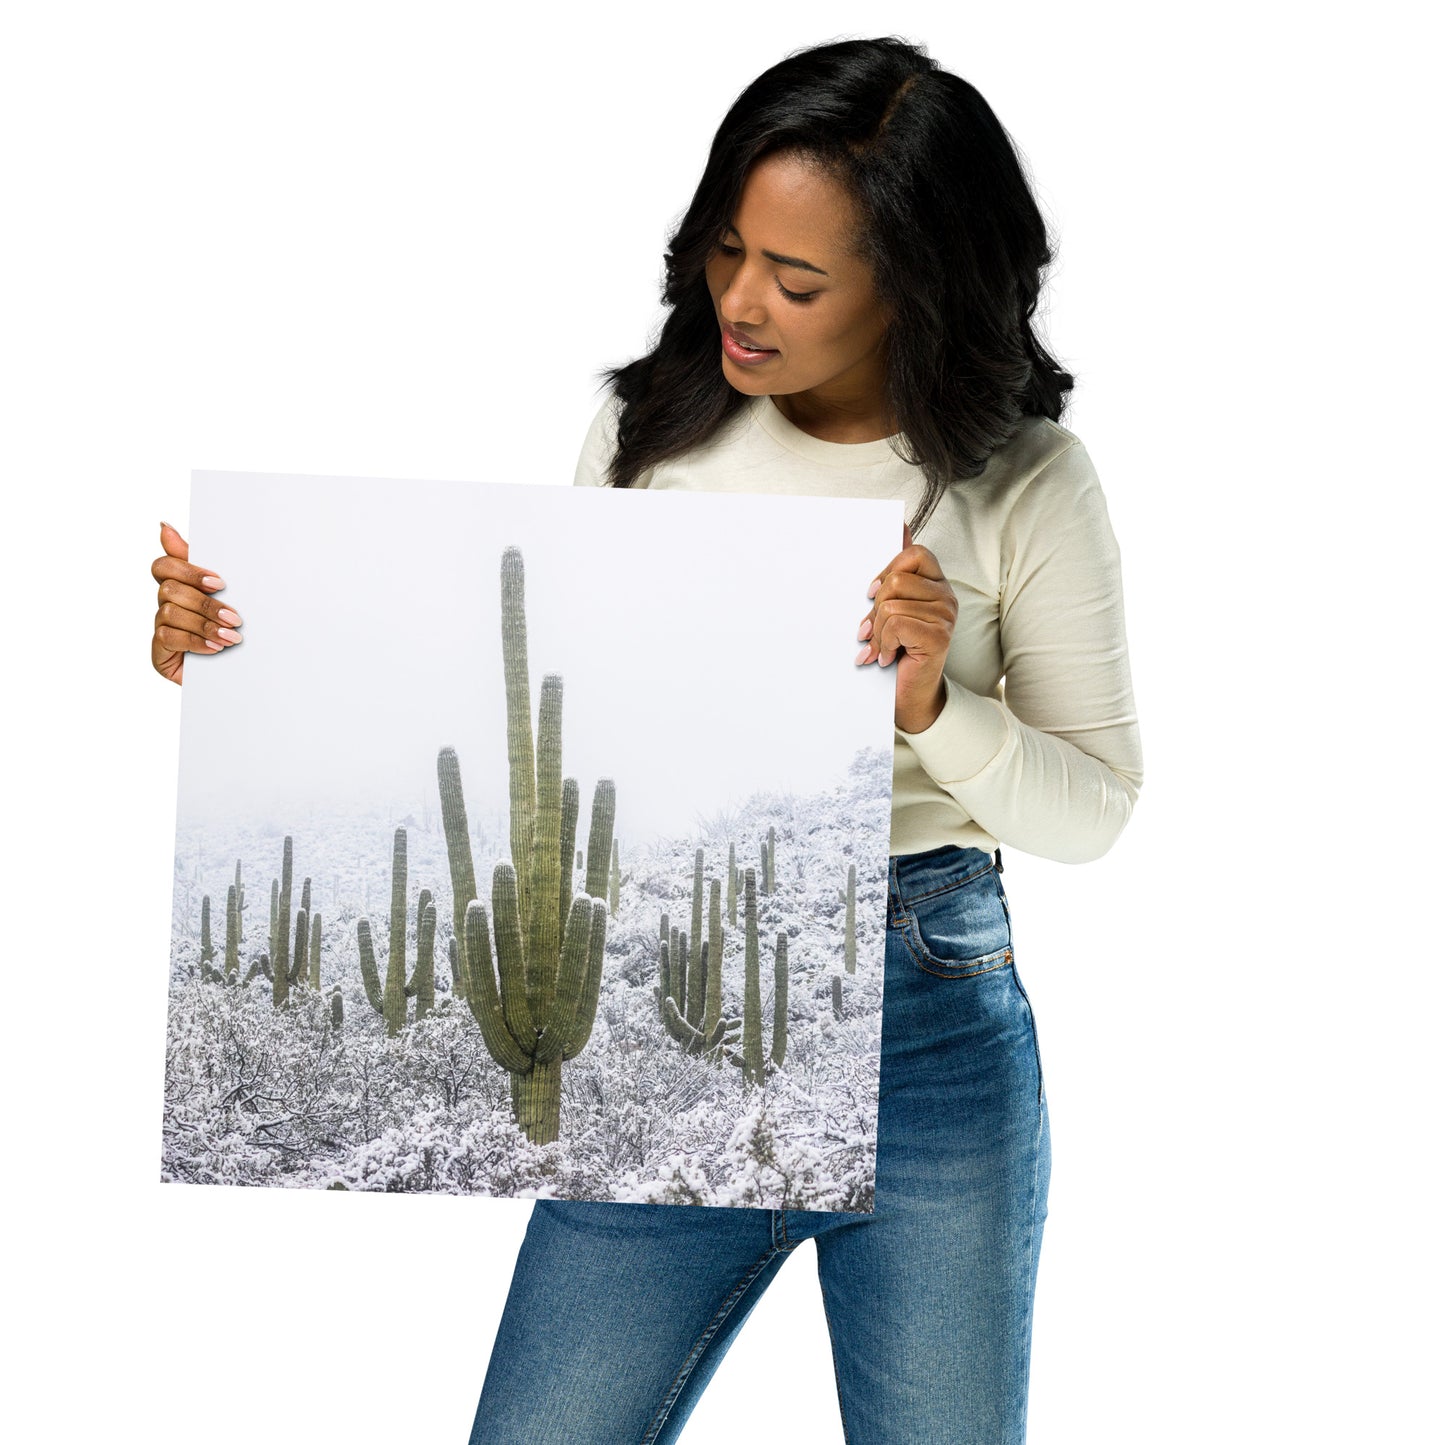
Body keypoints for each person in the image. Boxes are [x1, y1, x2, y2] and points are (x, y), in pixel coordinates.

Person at [151, 35, 1142, 1444]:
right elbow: (539, 725)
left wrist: (932, 705)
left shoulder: (1027, 479)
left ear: (914, 286)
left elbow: (1094, 810)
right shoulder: (645, 429)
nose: (740, 300)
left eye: (796, 280)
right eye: (726, 250)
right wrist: (248, 655)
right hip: (669, 1004)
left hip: (926, 1023)